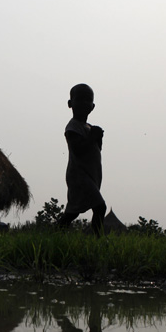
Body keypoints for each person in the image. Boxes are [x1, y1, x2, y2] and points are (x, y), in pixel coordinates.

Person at [58, 84, 106, 235]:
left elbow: (95, 150)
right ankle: (98, 239)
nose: (84, 103)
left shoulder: (88, 127)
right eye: (80, 99)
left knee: (73, 212)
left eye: (88, 100)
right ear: (70, 103)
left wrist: (98, 137)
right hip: (79, 176)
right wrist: (93, 137)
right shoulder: (72, 127)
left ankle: (56, 232)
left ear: (92, 106)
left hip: (91, 174)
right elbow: (78, 149)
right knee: (100, 206)